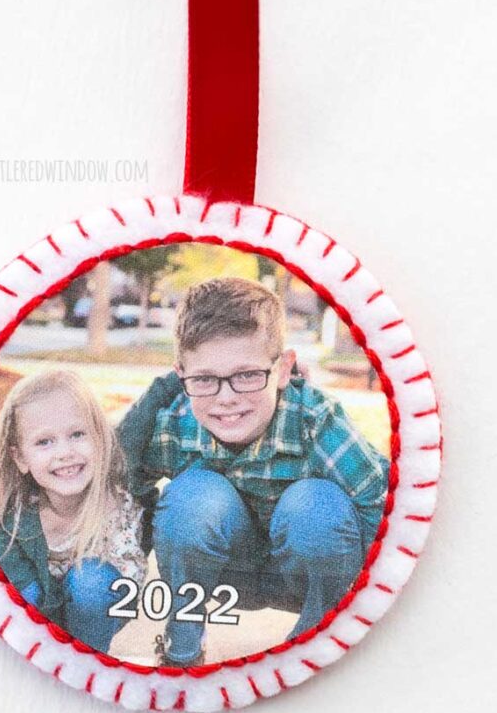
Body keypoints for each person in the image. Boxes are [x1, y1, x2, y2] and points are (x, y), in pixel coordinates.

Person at [118, 277, 389, 667]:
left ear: (283, 370)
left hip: (308, 573)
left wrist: (370, 611)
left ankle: (312, 647)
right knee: (190, 500)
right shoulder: (174, 425)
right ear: (182, 375)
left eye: (247, 375)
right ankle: (183, 651)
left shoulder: (315, 420)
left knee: (315, 506)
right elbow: (121, 492)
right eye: (205, 379)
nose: (226, 398)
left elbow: (379, 504)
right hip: (227, 575)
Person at [0, 368, 146, 654]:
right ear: (20, 458)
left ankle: (88, 659)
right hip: (40, 616)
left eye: (77, 434)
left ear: (99, 438)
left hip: (99, 603)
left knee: (90, 581)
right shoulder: (12, 520)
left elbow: (146, 411)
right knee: (19, 591)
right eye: (44, 442)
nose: (65, 453)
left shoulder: (116, 496)